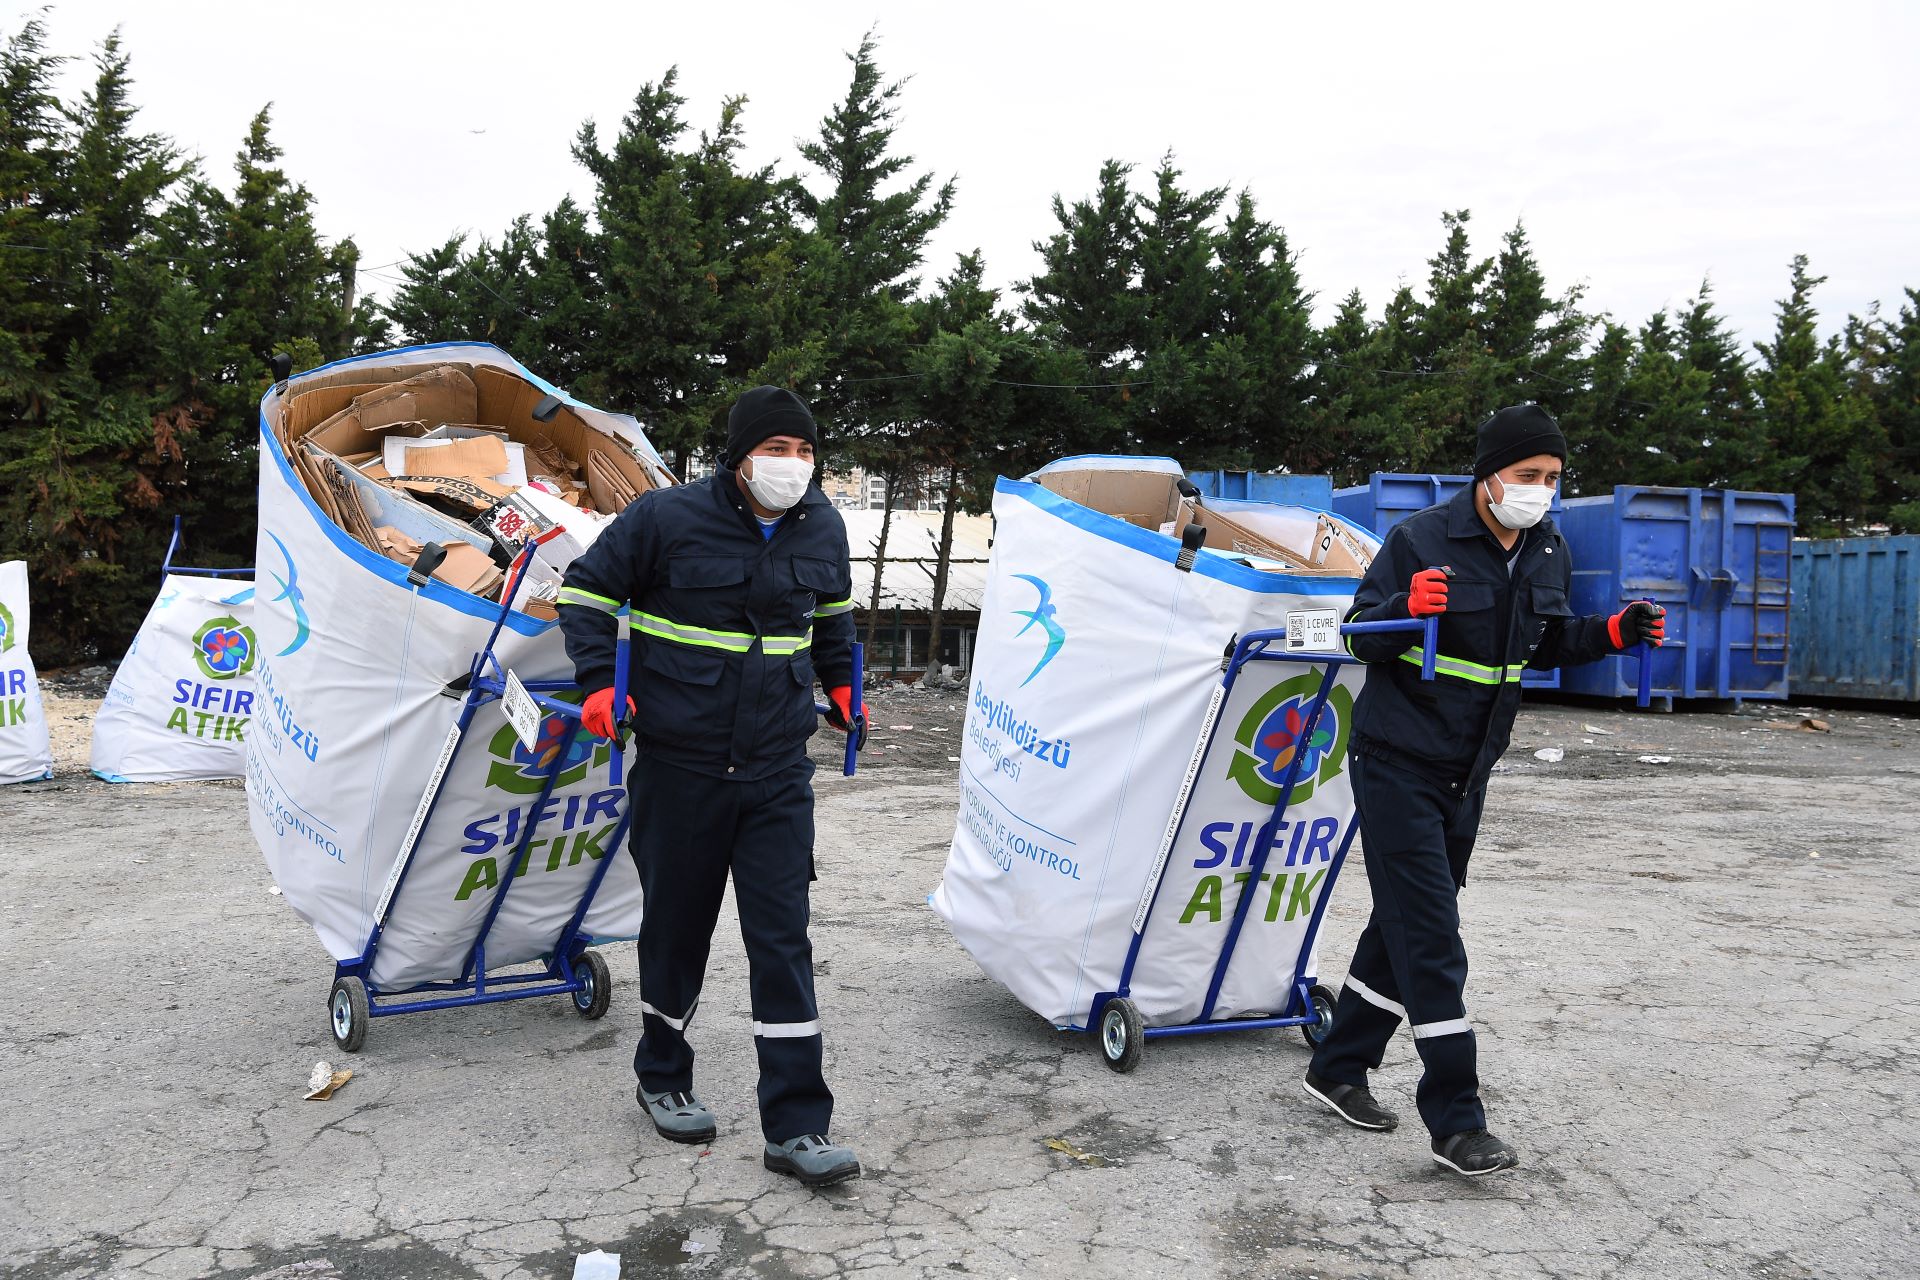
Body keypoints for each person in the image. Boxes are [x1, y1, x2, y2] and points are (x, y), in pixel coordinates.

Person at [1300, 404, 1665, 1178]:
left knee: (1405, 924)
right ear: (1489, 474)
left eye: (1553, 479)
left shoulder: (1547, 549)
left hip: (1470, 770)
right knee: (1433, 940)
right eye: (1528, 476)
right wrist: (1406, 610)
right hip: (1396, 758)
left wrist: (1614, 631)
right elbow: (1354, 632)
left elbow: (1549, 641)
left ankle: (1336, 1066)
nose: (1541, 491)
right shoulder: (1420, 540)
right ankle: (1457, 1122)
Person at [555, 385, 866, 1188]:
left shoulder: (823, 524)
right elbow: (584, 594)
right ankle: (663, 1077)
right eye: (776, 449)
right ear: (739, 457)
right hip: (682, 766)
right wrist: (598, 683)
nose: (791, 465)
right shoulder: (663, 520)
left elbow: (831, 618)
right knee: (678, 932)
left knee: (782, 942)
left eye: (803, 452)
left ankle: (798, 1127)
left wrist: (840, 686)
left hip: (776, 773)